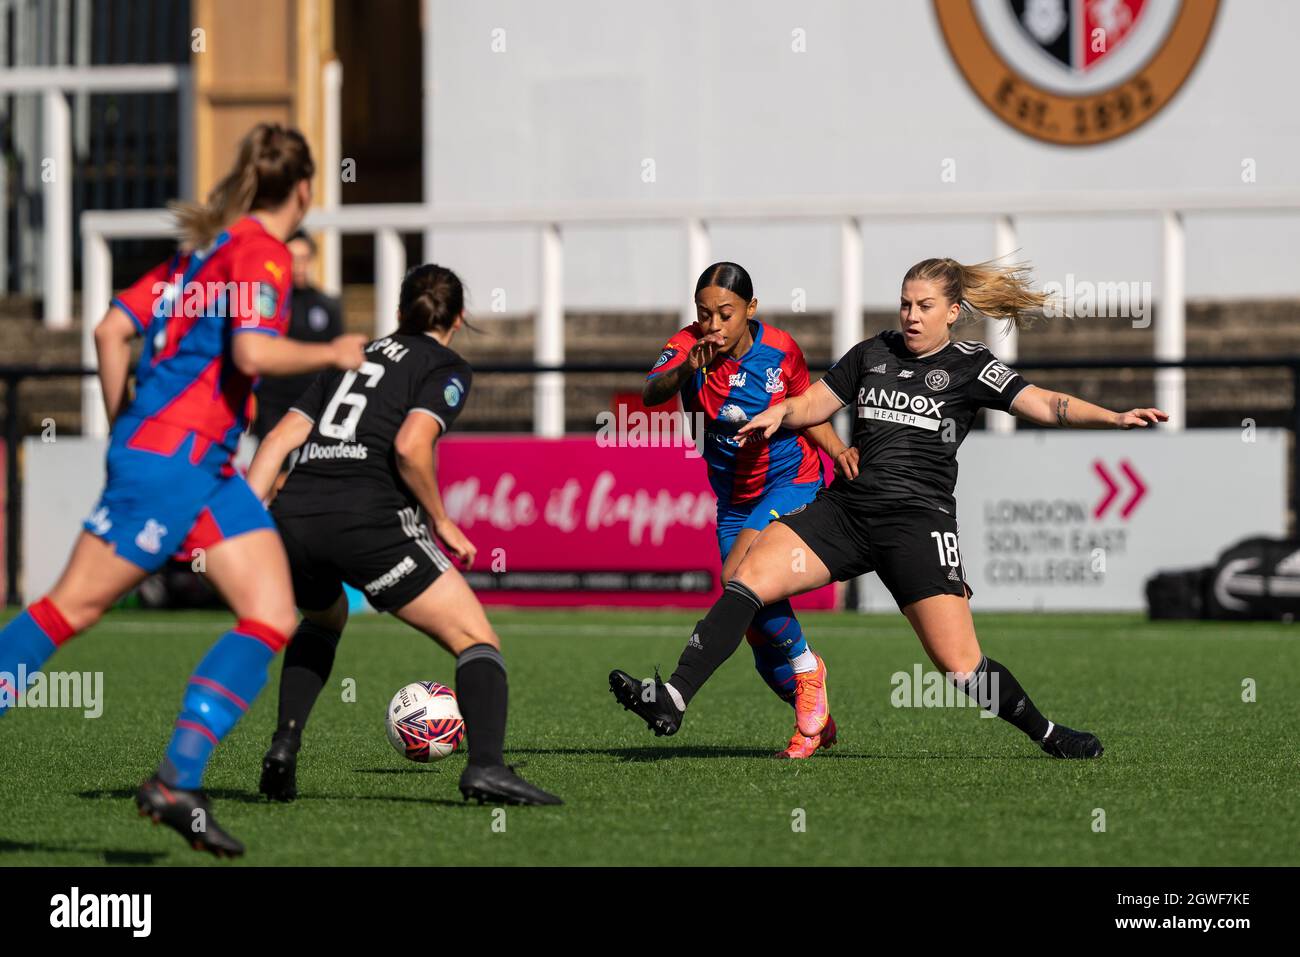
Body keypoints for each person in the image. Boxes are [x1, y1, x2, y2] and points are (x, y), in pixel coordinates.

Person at [611, 256, 1168, 759]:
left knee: (962, 668)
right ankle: (675, 696)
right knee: (747, 574)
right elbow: (816, 402)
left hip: (916, 525)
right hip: (848, 513)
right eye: (906, 303)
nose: (912, 315)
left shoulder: (972, 365)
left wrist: (1114, 417)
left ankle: (1048, 734)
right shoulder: (872, 353)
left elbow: (1044, 404)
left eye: (925, 306)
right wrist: (782, 413)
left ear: (953, 311)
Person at [0, 123, 368, 856]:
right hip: (174, 460)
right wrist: (332, 349)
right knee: (68, 608)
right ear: (304, 189)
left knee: (270, 610)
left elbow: (110, 330)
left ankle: (176, 778)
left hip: (201, 466)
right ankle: (176, 775)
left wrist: (123, 425)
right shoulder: (258, 253)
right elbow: (252, 349)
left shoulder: (199, 255)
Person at [246, 263, 561, 806]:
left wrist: (247, 524)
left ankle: (284, 746)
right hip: (367, 519)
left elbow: (276, 440)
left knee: (323, 618)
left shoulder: (350, 356)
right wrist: (440, 519)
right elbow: (411, 445)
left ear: (397, 313)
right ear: (459, 319)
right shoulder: (446, 365)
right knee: (476, 638)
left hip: (293, 517)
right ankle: (486, 768)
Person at [612, 262, 853, 758]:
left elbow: (804, 411)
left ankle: (687, 692)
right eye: (704, 314)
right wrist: (685, 368)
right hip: (735, 499)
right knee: (756, 629)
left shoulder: (781, 351)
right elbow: (650, 393)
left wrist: (838, 450)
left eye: (725, 313)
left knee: (739, 576)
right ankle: (813, 711)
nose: (714, 325)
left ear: (751, 309)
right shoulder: (687, 346)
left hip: (793, 481)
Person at [252, 229, 345, 441]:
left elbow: (337, 357)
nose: (299, 266)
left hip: (314, 401)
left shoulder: (327, 305)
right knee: (276, 467)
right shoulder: (268, 305)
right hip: (273, 401)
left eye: (304, 258)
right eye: (292, 259)